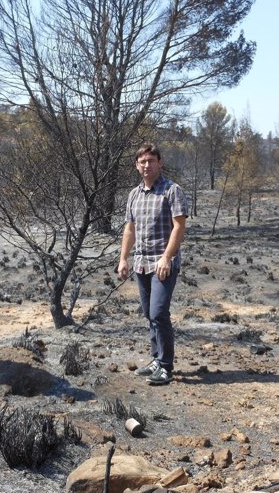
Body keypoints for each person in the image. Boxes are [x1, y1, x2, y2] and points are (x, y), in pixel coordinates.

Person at [118, 143, 188, 385]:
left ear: (160, 163)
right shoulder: (134, 195)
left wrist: (167, 257)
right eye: (142, 162)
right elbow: (130, 229)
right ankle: (156, 359)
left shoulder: (171, 190)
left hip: (163, 263)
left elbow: (179, 226)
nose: (147, 165)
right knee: (149, 313)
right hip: (141, 263)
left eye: (151, 161)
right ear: (137, 166)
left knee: (159, 312)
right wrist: (123, 258)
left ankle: (166, 366)